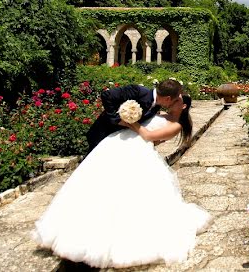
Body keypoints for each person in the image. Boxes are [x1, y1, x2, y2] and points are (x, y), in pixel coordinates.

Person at [34, 81, 210, 268]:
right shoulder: (157, 109)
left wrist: (130, 122)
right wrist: (123, 117)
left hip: (137, 150)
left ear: (182, 106)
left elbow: (150, 137)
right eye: (174, 99)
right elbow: (124, 106)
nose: (173, 102)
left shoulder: (176, 126)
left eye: (177, 101)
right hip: (118, 143)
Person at [84, 80, 183, 155]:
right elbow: (107, 95)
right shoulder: (138, 91)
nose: (172, 104)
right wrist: (117, 119)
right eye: (174, 101)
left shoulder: (156, 107)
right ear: (168, 98)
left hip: (119, 141)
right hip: (102, 133)